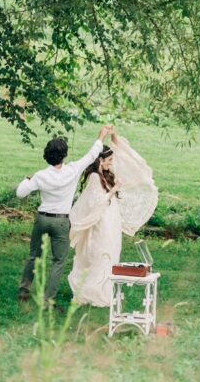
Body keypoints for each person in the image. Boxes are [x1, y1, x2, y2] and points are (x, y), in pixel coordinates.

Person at [16, 124, 114, 305]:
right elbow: (92, 154)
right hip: (61, 221)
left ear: (47, 155)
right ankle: (48, 299)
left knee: (33, 255)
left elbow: (20, 193)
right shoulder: (73, 170)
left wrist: (27, 179)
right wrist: (101, 136)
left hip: (42, 218)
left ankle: (24, 290)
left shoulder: (40, 175)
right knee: (58, 261)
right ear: (64, 155)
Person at [68, 130, 157, 307]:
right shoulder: (94, 176)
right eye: (108, 161)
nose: (111, 164)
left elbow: (127, 159)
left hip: (111, 219)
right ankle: (93, 290)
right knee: (101, 251)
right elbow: (97, 201)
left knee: (112, 250)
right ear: (100, 160)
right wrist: (114, 188)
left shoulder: (107, 173)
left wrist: (114, 136)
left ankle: (106, 289)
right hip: (101, 222)